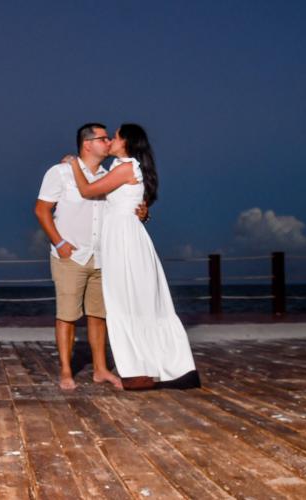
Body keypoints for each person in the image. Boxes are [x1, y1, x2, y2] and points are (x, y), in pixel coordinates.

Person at [66, 123, 200, 389]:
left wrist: (73, 165)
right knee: (126, 301)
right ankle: (142, 368)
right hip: (119, 238)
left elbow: (88, 191)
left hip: (125, 240)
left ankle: (156, 370)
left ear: (126, 142)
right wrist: (143, 213)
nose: (110, 141)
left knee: (131, 300)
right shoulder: (119, 168)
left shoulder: (127, 167)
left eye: (115, 137)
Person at [35, 123, 147, 390]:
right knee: (67, 315)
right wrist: (59, 242)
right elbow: (41, 209)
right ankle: (66, 371)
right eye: (103, 138)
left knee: (99, 315)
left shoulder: (111, 175)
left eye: (110, 138)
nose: (108, 142)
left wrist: (143, 213)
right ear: (87, 144)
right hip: (71, 256)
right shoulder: (61, 172)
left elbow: (127, 206)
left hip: (103, 256)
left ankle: (100, 369)